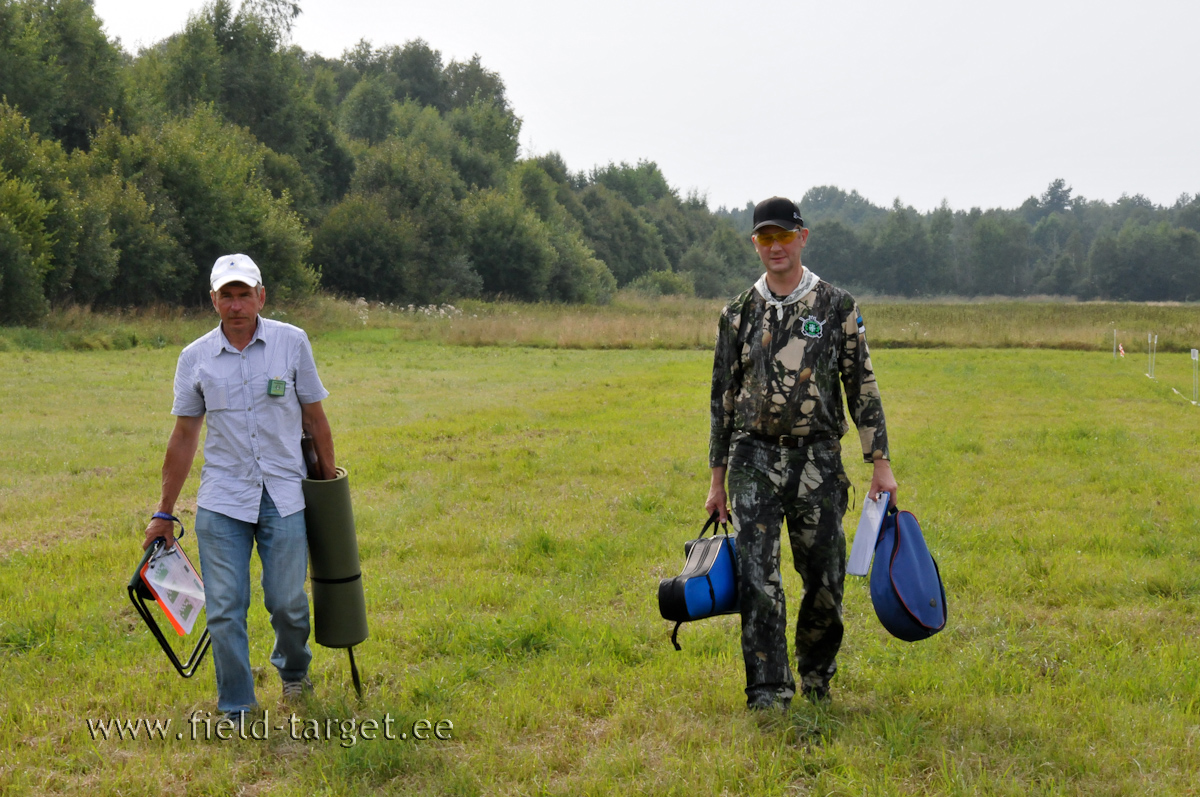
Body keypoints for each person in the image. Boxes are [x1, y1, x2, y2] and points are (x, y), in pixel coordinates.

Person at [705, 197, 897, 709]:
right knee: (758, 581)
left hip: (817, 462)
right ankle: (768, 691)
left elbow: (862, 387)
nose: (775, 247)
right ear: (755, 244)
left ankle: (816, 678)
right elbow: (722, 399)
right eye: (765, 238)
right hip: (753, 462)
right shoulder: (737, 314)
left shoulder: (838, 307)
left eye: (783, 237)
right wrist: (717, 481)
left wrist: (879, 463)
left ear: (802, 238)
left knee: (825, 580)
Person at [143, 253, 336, 720]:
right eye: (226, 296)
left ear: (261, 296)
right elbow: (185, 435)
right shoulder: (195, 358)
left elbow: (315, 417)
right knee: (225, 609)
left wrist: (329, 491)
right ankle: (237, 708)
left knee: (287, 602)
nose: (236, 305)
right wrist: (164, 511)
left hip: (284, 495)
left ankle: (294, 674)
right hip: (222, 500)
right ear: (213, 300)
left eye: (243, 294)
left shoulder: (292, 343)